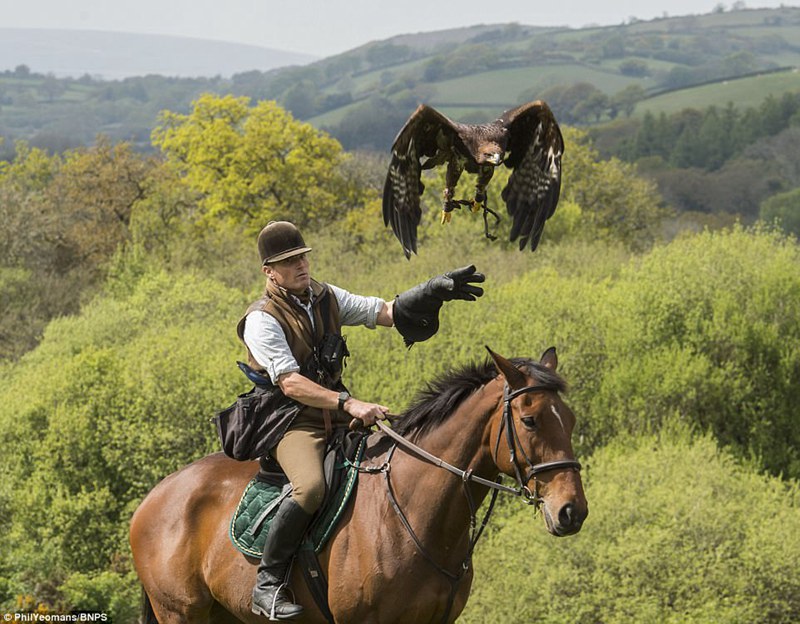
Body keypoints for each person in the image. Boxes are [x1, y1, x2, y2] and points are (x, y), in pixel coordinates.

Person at [239, 221, 484, 620]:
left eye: (303, 256)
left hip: (332, 414)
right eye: (290, 262)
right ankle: (268, 583)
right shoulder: (261, 319)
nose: (301, 265)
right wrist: (349, 404)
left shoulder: (326, 296)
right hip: (288, 422)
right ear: (270, 271)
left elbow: (383, 311)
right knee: (311, 488)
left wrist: (430, 291)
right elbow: (290, 383)